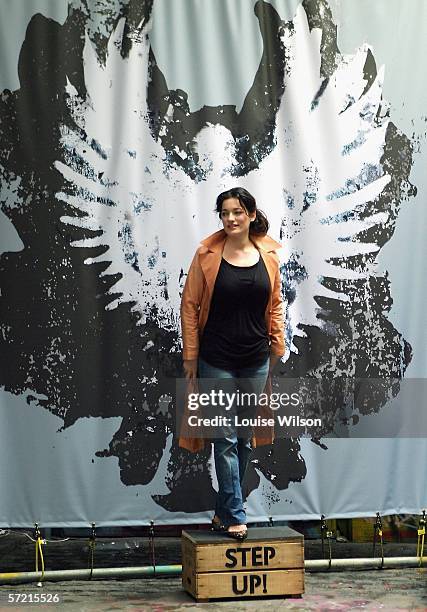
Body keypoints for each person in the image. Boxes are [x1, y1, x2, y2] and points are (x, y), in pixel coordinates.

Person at [179, 187, 285, 540]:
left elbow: (276, 303)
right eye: (225, 212)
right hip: (216, 359)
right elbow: (190, 306)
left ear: (251, 215)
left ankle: (224, 511)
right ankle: (238, 515)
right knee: (223, 438)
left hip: (255, 360)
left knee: (244, 439)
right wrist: (191, 357)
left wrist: (277, 344)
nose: (230, 218)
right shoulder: (207, 254)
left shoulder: (268, 255)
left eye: (237, 211)